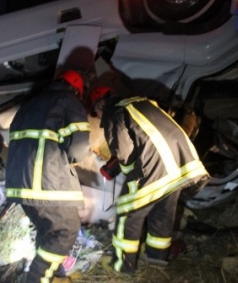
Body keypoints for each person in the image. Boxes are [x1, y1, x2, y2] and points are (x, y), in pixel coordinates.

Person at [87, 86, 210, 273]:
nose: (97, 115)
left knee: (127, 212)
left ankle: (122, 267)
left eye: (95, 111)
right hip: (180, 165)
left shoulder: (114, 112)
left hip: (156, 169)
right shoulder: (143, 103)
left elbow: (125, 153)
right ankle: (157, 261)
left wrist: (128, 174)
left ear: (101, 103)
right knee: (162, 212)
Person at [4, 70, 90, 282]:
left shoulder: (29, 104)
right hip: (46, 182)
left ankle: (56, 274)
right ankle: (36, 279)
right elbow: (79, 148)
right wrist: (70, 160)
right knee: (65, 231)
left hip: (20, 184)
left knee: (48, 231)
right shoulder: (68, 101)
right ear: (77, 91)